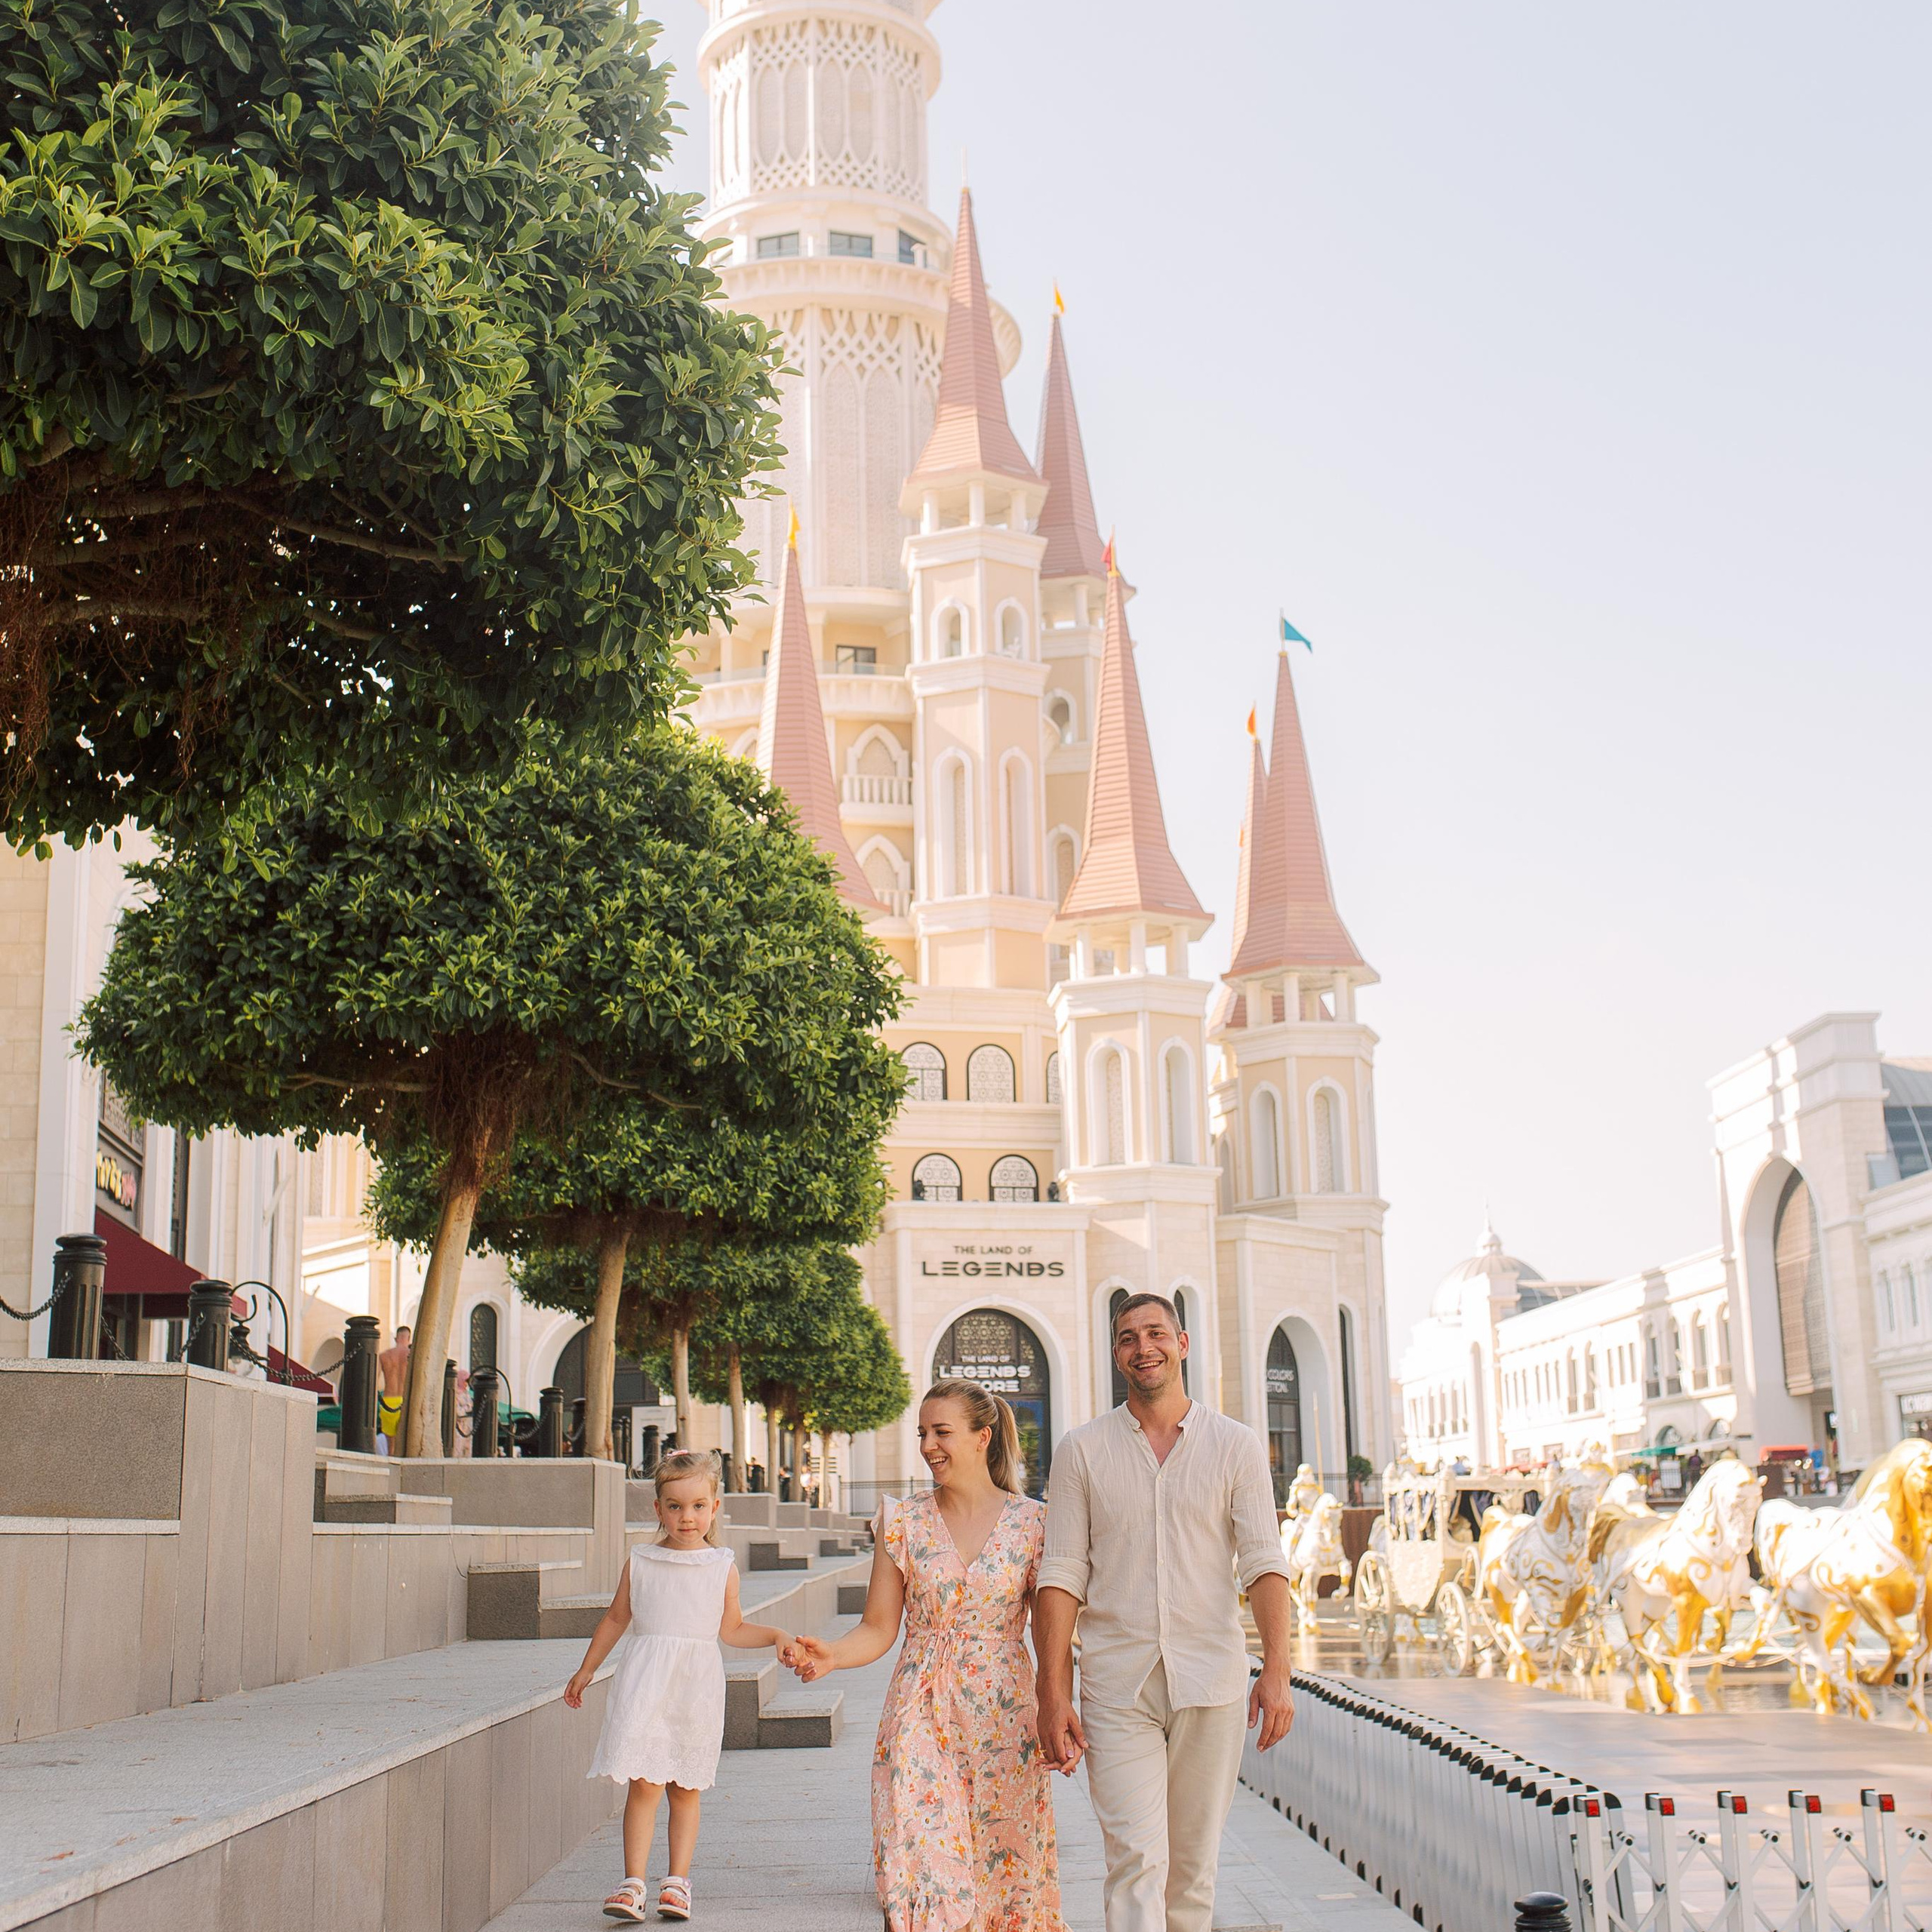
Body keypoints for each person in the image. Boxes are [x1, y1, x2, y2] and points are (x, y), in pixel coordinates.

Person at [1035, 1294, 1295, 1932]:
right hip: (1117, 1686)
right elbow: (1061, 1574)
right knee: (1135, 1861)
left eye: (1156, 1333)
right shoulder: (1082, 1450)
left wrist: (1278, 1671)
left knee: (1192, 1872)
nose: (1142, 1347)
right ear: (1116, 1355)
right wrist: (1052, 1690)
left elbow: (1263, 1561)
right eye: (1128, 1338)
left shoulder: (1234, 1446)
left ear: (1182, 1344)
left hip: (1210, 1682)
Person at [787, 1380, 1063, 1931]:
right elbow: (878, 1626)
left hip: (1004, 1719)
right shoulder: (902, 1521)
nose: (928, 1445)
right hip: (919, 1712)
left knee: (1006, 1872)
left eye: (942, 1432)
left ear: (983, 1437)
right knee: (920, 1865)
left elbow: (1055, 1634)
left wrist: (1060, 1705)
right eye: (922, 1433)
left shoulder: (1036, 1525)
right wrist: (833, 1656)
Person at [565, 1450, 796, 1924]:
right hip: (645, 1683)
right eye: (674, 1506)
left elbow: (731, 1630)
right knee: (644, 1784)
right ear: (658, 1509)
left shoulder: (720, 1567)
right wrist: (587, 1668)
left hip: (695, 1688)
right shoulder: (642, 1562)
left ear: (714, 1508)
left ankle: (676, 1883)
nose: (685, 1516)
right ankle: (633, 1883)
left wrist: (774, 1635)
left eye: (696, 1506)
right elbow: (615, 1618)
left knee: (685, 1788)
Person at [377, 1324, 411, 1453]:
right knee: (407, 1444)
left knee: (391, 1446)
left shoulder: (384, 1356)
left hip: (388, 1401)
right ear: (409, 1339)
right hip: (405, 1401)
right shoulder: (411, 1355)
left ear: (396, 1338)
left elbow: (375, 1379)